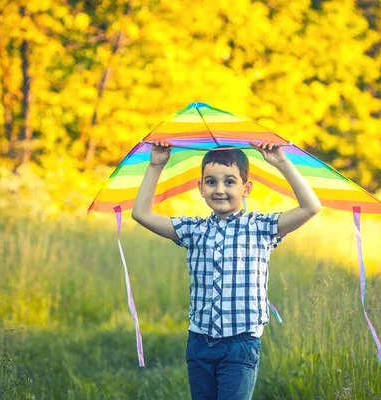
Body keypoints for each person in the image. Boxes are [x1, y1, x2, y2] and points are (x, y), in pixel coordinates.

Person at [131, 140, 321, 400]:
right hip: (199, 342)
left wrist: (282, 163)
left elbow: (311, 207)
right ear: (200, 188)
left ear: (247, 188)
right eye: (211, 182)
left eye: (230, 181)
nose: (220, 189)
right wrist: (155, 165)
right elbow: (141, 213)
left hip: (240, 343)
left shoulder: (260, 227)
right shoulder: (193, 230)